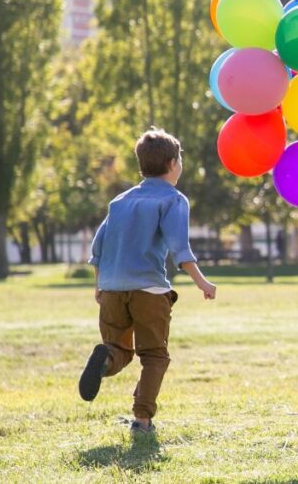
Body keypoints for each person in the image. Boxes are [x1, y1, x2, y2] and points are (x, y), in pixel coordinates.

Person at [79, 127, 217, 436]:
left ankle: (105, 360)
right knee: (154, 355)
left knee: (119, 349)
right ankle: (142, 420)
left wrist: (99, 286)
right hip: (149, 290)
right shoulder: (173, 199)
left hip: (113, 288)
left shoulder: (120, 201)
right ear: (172, 164)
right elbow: (180, 249)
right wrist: (203, 283)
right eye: (180, 159)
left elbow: (98, 248)